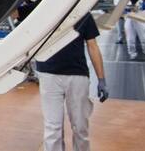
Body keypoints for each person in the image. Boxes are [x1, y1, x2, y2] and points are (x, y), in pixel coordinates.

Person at [35, 12, 107, 151]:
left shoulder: (83, 14)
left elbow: (92, 46)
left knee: (80, 127)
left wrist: (101, 79)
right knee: (52, 128)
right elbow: (14, 14)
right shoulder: (42, 10)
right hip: (48, 74)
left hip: (77, 74)